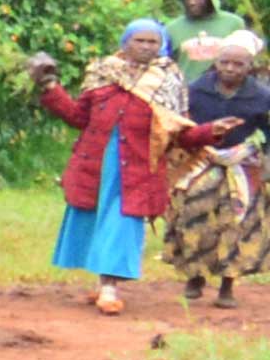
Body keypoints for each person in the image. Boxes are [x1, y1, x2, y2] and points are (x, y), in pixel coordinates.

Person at [34, 22, 182, 316]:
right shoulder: (102, 75)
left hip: (139, 167)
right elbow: (78, 117)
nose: (146, 47)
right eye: (140, 40)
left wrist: (210, 133)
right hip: (97, 162)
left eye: (153, 42)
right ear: (125, 43)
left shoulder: (168, 81)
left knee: (121, 222)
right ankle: (103, 282)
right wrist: (50, 87)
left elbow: (178, 129)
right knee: (94, 218)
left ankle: (110, 287)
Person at [174, 28, 268, 309]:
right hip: (201, 160)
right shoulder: (196, 90)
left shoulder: (262, 96)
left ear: (249, 67)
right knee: (192, 214)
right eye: (225, 62)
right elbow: (183, 126)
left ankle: (227, 284)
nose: (230, 68)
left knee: (236, 220)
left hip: (242, 163)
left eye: (238, 64)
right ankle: (194, 276)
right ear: (216, 62)